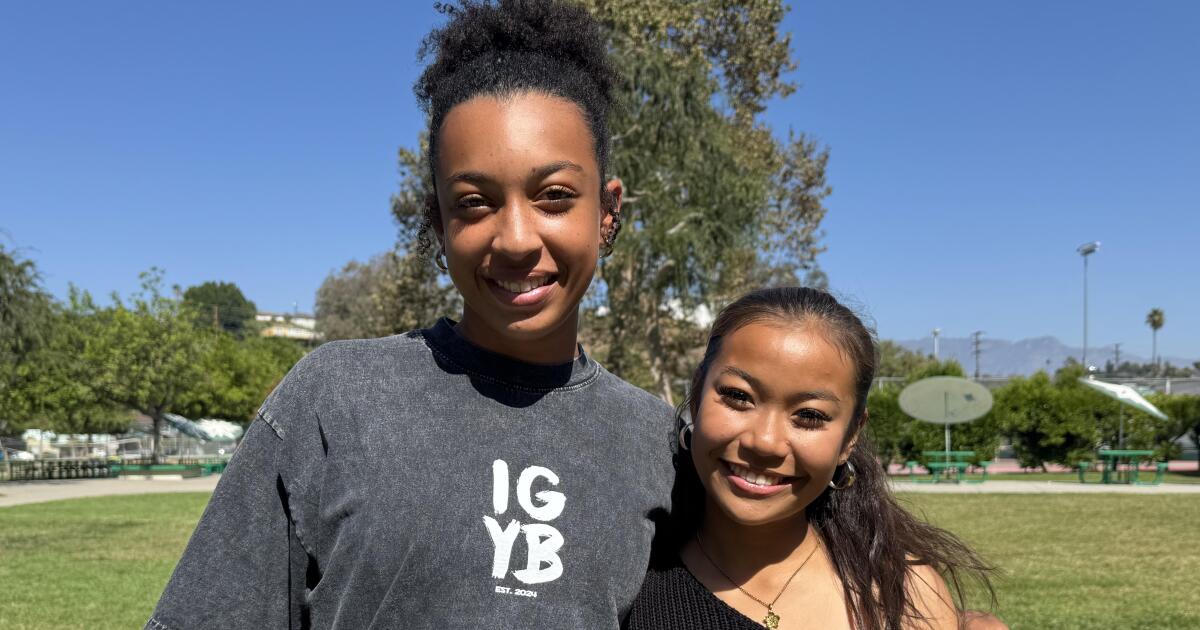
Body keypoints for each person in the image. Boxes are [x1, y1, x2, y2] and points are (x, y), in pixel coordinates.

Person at [146, 1, 675, 628]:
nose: (515, 239)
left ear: (607, 211)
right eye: (474, 203)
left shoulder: (658, 445)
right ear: (438, 223)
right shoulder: (335, 401)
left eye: (554, 196)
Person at [626, 287, 999, 630]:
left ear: (851, 436)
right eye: (739, 397)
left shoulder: (904, 599)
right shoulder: (624, 579)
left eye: (809, 415)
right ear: (696, 395)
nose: (765, 442)